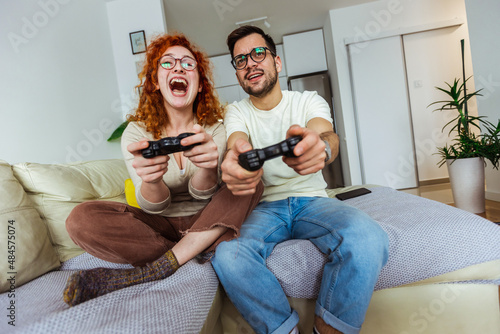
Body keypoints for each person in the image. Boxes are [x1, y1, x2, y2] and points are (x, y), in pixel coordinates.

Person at [211, 25, 389, 334]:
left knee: (369, 237)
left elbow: (326, 136)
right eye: (240, 60)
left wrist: (319, 148)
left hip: (313, 201)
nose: (250, 63)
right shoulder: (235, 111)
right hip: (262, 208)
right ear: (237, 73)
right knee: (228, 254)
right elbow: (237, 143)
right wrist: (237, 159)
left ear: (276, 63)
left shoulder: (308, 100)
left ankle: (329, 328)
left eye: (258, 54)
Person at [63, 33, 262, 307]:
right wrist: (152, 180)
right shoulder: (136, 133)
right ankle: (195, 251)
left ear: (200, 84)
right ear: (156, 82)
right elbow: (154, 207)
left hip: (208, 216)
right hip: (159, 228)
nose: (178, 67)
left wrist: (207, 168)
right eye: (167, 63)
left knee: (250, 177)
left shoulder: (215, 127)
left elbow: (207, 195)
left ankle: (160, 267)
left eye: (188, 64)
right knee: (79, 219)